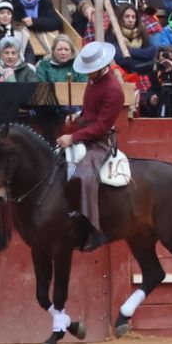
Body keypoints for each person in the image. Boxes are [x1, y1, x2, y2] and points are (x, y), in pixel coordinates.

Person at [56, 41, 123, 251]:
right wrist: (78, 115)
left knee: (84, 176)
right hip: (86, 133)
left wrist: (73, 137)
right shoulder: (93, 81)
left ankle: (93, 228)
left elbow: (102, 126)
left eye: (90, 71)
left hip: (101, 141)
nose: (87, 74)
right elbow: (91, 112)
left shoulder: (113, 89)